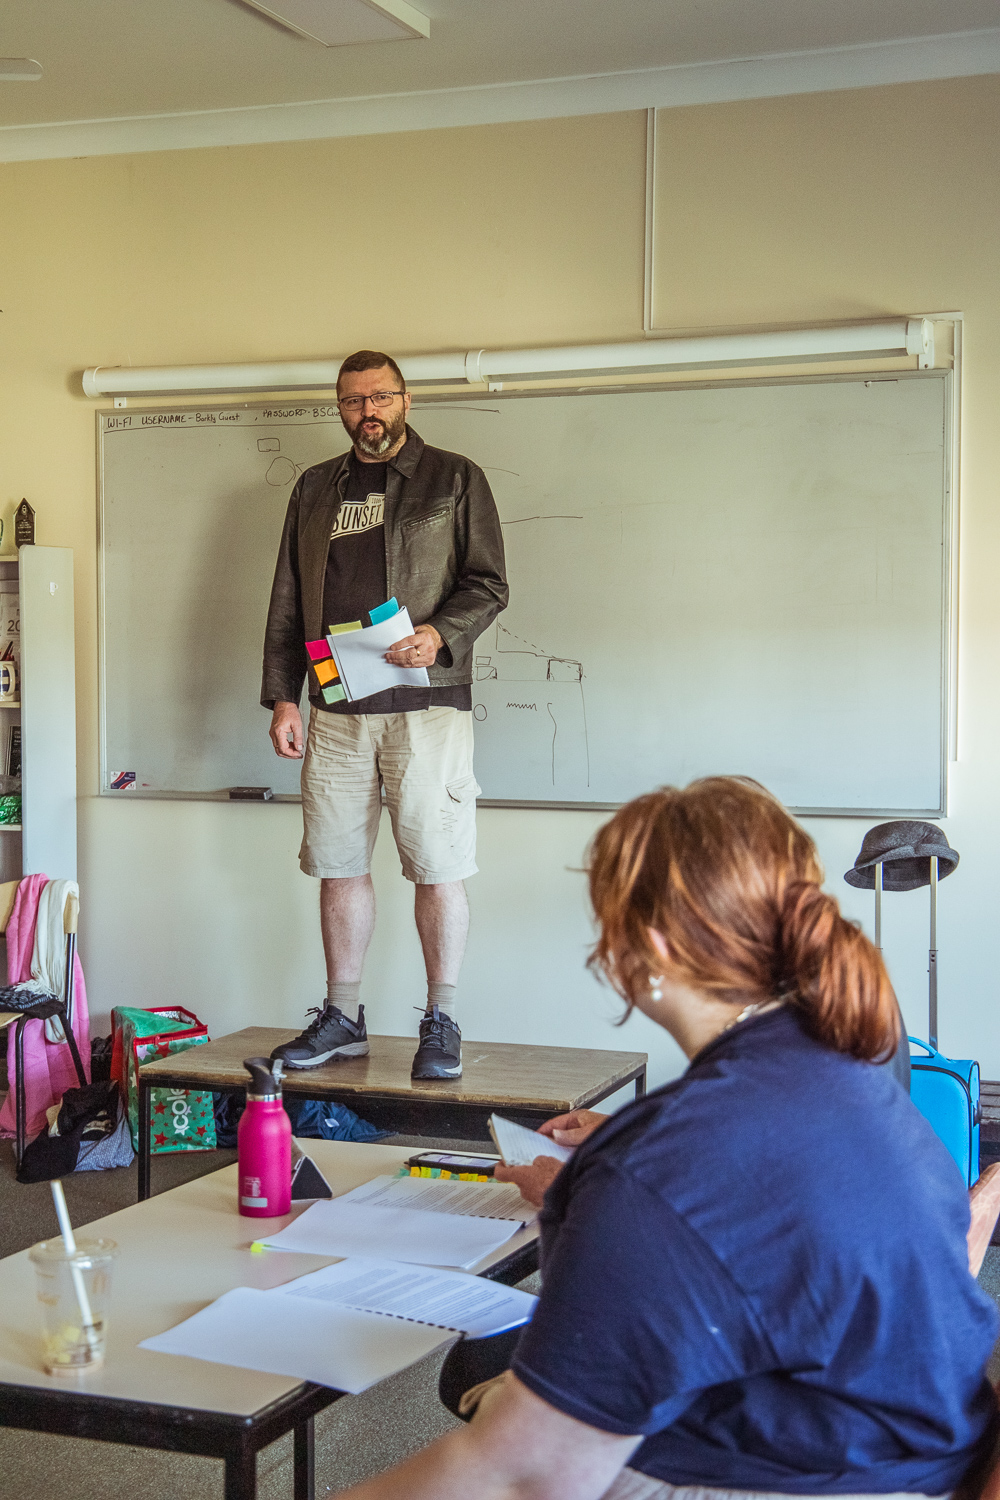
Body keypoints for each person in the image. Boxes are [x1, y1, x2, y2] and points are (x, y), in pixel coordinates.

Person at [331, 777, 999, 1500]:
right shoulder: (849, 1059)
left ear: (645, 947)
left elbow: (524, 1477)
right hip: (911, 1441)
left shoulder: (661, 1166)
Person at [262, 350, 507, 1080]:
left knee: (437, 865)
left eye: (380, 397)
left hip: (426, 707)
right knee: (337, 865)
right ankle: (343, 1018)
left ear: (405, 399)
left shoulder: (454, 478)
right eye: (352, 401)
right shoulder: (315, 488)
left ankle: (442, 1019)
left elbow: (489, 583)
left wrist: (440, 634)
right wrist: (283, 695)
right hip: (336, 707)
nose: (367, 411)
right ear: (340, 408)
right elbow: (286, 597)